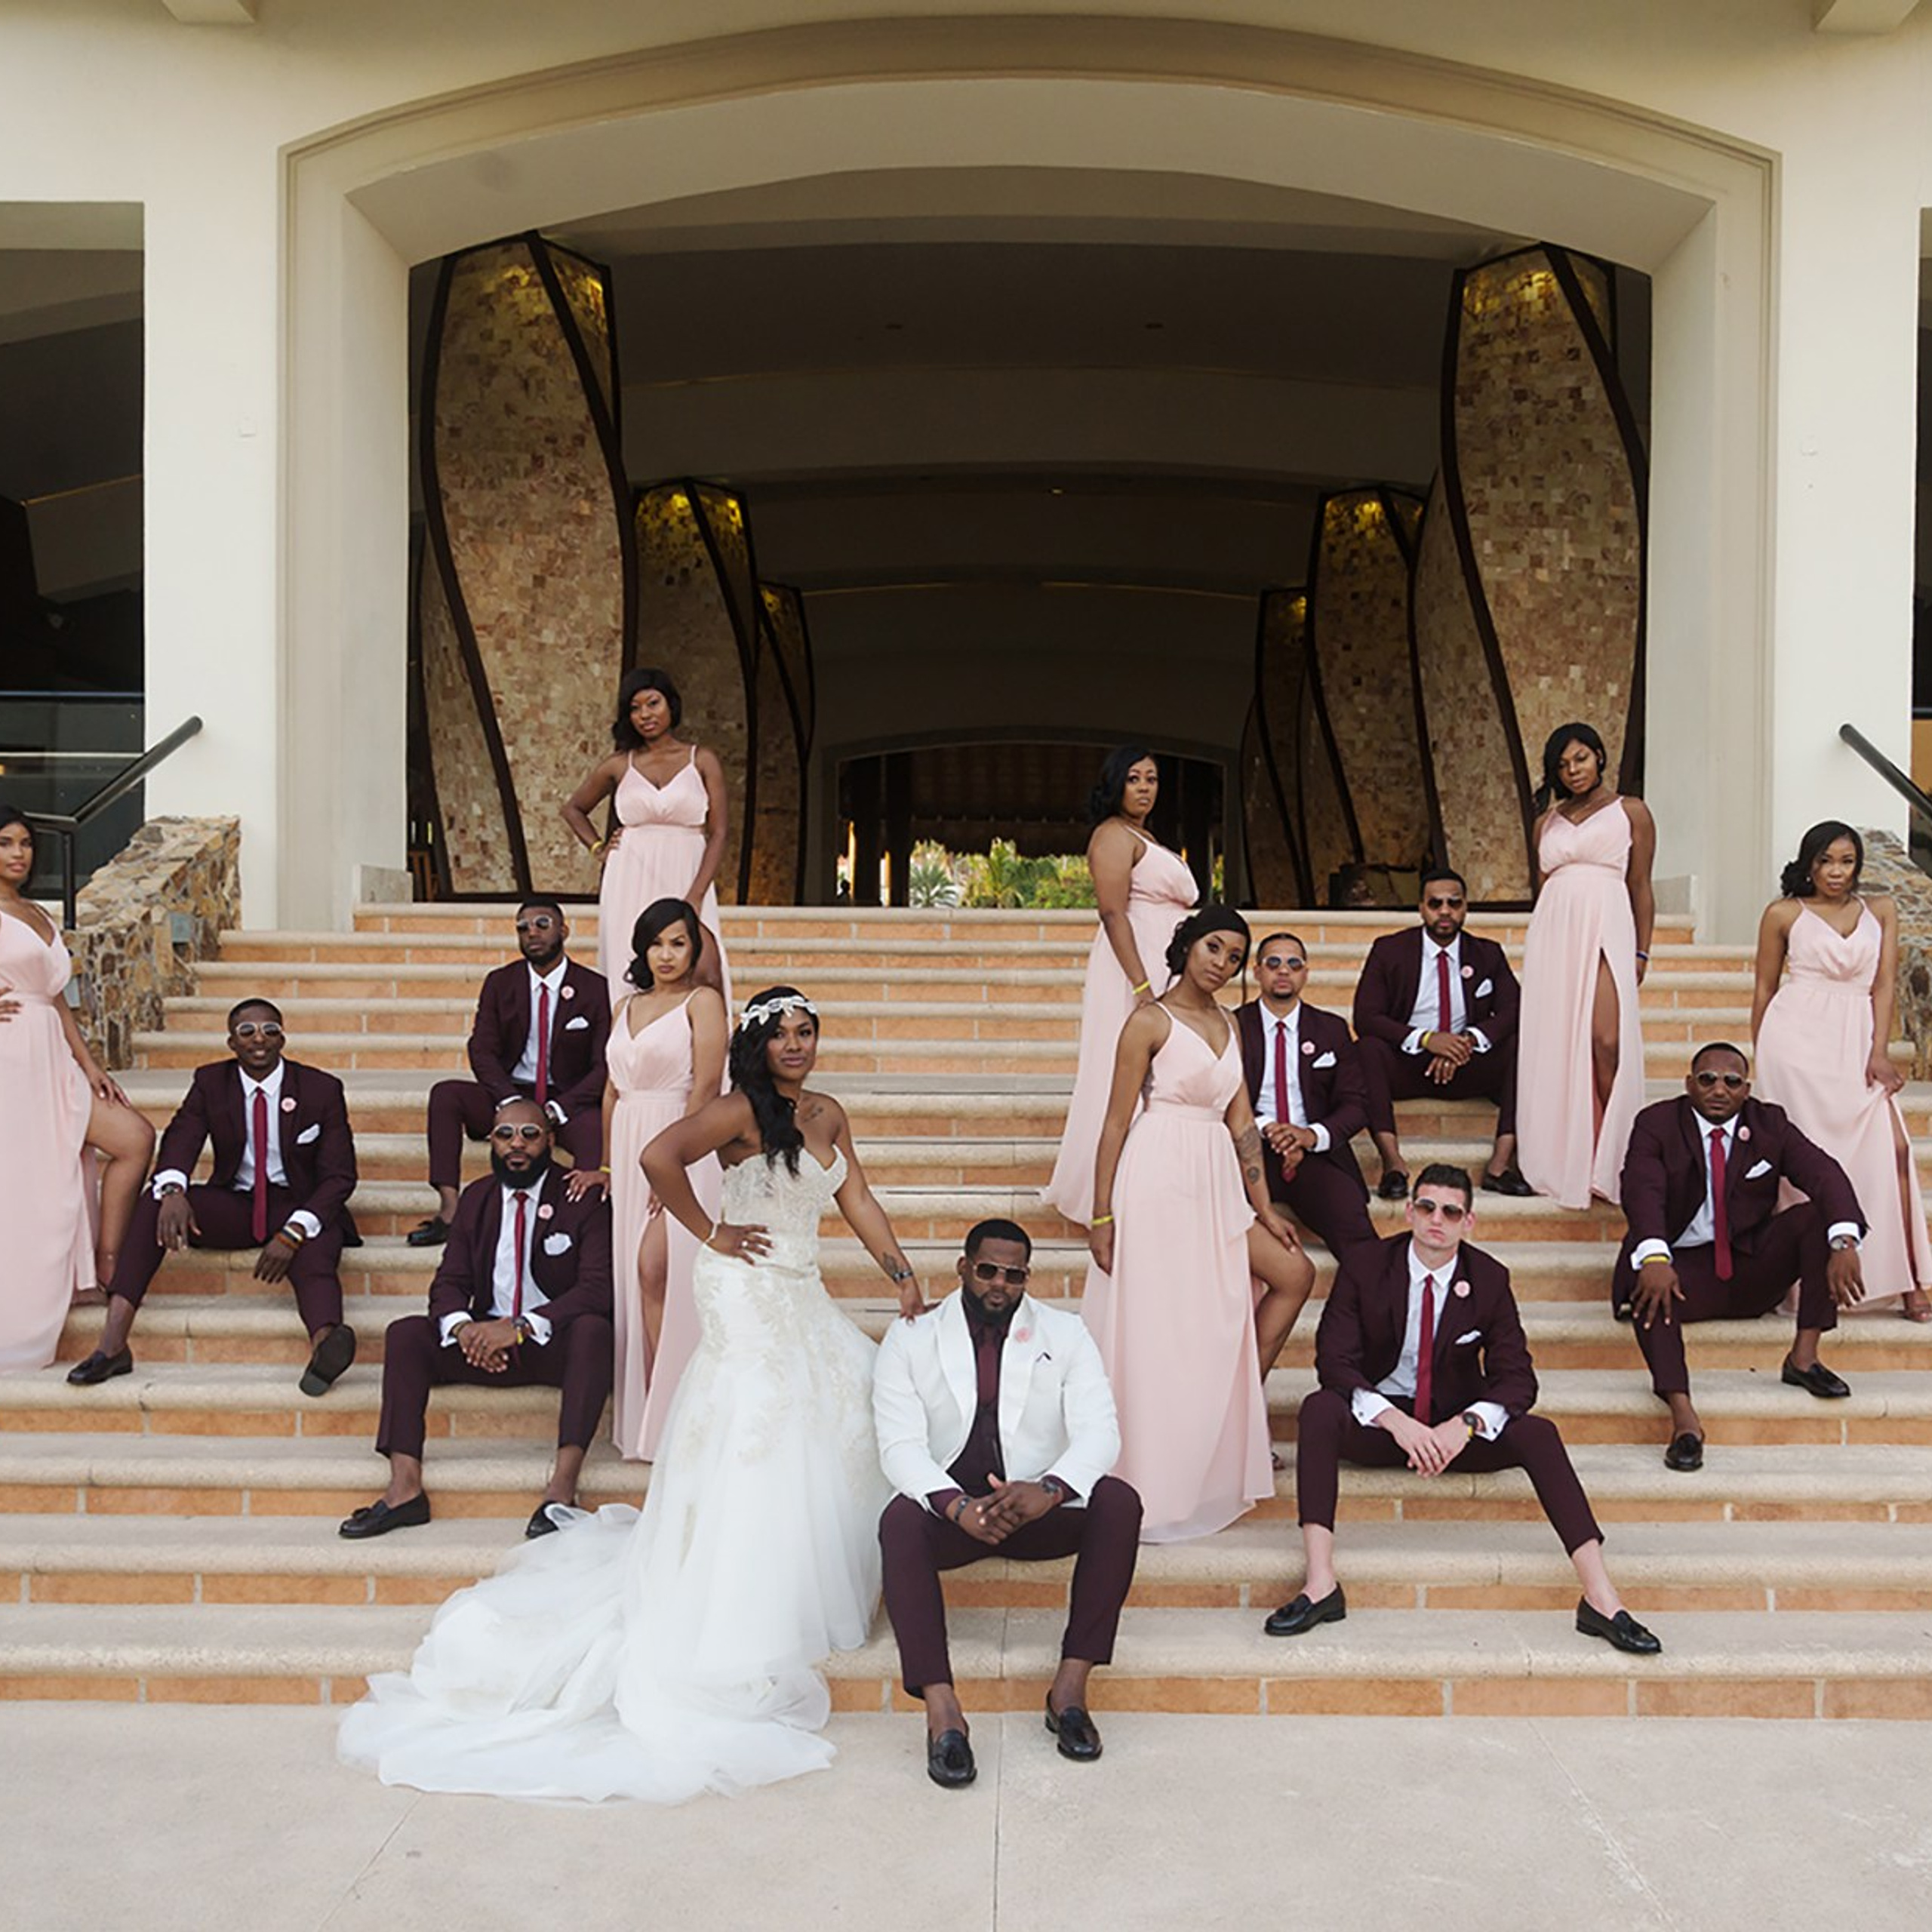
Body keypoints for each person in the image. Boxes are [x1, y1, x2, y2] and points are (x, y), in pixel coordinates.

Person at [338, 989, 925, 1804]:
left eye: (807, 1031)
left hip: (802, 1284)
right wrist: (710, 1230)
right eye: (782, 1033)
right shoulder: (734, 1112)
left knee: (847, 1402)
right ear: (757, 1044)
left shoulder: (828, 1113)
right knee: (762, 1421)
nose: (797, 1044)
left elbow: (853, 1194)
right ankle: (739, 1602)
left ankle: (807, 1581)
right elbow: (655, 1155)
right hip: (744, 1284)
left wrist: (900, 1272)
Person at [1269, 1164, 1661, 1657]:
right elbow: (1334, 1360)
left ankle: (1601, 1598)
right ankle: (1321, 1584)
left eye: (1451, 1212)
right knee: (1319, 1410)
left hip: (1454, 1430)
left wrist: (1467, 1425)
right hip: (1385, 1427)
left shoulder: (1490, 1279)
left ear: (1468, 1223)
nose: (1438, 1220)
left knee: (1539, 1435)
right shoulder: (1367, 1266)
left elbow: (1518, 1377)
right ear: (1410, 1211)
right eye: (1428, 1207)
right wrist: (1396, 1421)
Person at [874, 1218, 1141, 1788]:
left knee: (1119, 1502)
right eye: (988, 1271)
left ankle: (1068, 1691)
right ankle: (943, 1713)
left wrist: (1049, 1491)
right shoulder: (913, 1335)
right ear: (964, 1268)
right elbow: (898, 1447)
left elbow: (1101, 1433)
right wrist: (955, 1507)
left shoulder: (1066, 1333)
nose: (999, 1285)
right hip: (957, 1515)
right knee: (899, 1520)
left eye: (1014, 1275)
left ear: (1027, 1277)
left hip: (1033, 1509)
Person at [1083, 906, 1315, 1543]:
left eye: (1236, 956)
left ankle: (1221, 1426)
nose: (1223, 963)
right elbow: (1113, 1124)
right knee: (1163, 1326)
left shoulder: (1230, 1024)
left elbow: (1242, 1122)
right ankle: (1150, 1474)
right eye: (1214, 947)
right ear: (1187, 945)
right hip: (1157, 1172)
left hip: (1217, 1180)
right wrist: (1101, 1213)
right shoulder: (1149, 1021)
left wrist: (1265, 1207)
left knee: (1294, 1273)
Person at [340, 1099, 616, 1540]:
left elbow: (597, 1289)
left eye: (529, 1134)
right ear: (492, 1140)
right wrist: (466, 1330)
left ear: (549, 1140)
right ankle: (405, 1489)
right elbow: (450, 1280)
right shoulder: (478, 1196)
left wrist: (521, 1327)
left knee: (594, 1331)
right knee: (407, 1334)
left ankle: (561, 1491)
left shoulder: (580, 1195)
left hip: (549, 1343)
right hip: (485, 1341)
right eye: (505, 1135)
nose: (516, 1145)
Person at [67, 999, 359, 1395]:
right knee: (154, 1200)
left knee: (316, 1245)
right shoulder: (211, 1082)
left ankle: (326, 1344)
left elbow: (340, 1177)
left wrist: (293, 1231)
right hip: (236, 1203)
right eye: (247, 1032)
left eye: (270, 1031)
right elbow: (181, 1137)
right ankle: (113, 1344)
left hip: (297, 1203)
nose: (260, 1039)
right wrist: (172, 1188)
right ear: (231, 1042)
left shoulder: (320, 1090)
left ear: (282, 1039)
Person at [1614, 1043, 1866, 1471]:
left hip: (1750, 1265)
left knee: (1815, 1218)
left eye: (1731, 1082)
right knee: (1650, 1287)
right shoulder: (1657, 1124)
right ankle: (1684, 1420)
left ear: (1745, 1089)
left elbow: (1824, 1172)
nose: (1719, 1090)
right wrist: (1655, 1257)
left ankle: (1803, 1359)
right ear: (1689, 1084)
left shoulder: (1769, 1124)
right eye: (1708, 1079)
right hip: (1683, 1267)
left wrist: (1844, 1241)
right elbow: (1642, 1190)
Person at [566, 898, 726, 1460]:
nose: (666, 954)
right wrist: (610, 1164)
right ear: (642, 948)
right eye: (657, 943)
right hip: (630, 1144)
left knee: (657, 1270)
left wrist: (670, 1166)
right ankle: (650, 1419)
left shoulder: (703, 1003)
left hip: (680, 1144)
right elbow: (612, 1091)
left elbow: (706, 1088)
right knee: (637, 1284)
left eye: (678, 943)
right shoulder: (624, 1006)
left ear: (695, 949)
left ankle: (678, 1410)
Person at [1752, 820, 1932, 1321]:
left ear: (1858, 865)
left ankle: (1907, 1280)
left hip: (1855, 1044)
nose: (1836, 871)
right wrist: (1762, 1058)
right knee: (1804, 1165)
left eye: (1846, 861)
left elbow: (1885, 985)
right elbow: (1765, 991)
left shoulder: (1881, 910)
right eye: (1826, 860)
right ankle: (1803, 1282)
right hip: (1794, 1046)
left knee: (1890, 1151)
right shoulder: (1783, 913)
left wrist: (1878, 1051)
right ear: (1809, 862)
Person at [0, 803, 155, 1369]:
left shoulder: (37, 910)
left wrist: (89, 1064)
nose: (18, 854)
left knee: (134, 1137)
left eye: (24, 844)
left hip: (55, 1056)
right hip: (8, 1060)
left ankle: (104, 1262)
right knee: (22, 1173)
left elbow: (55, 996)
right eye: (5, 844)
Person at [1041, 745, 1198, 1225]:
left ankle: (1149, 1180)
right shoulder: (1112, 835)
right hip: (1133, 961)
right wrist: (1140, 985)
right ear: (1116, 784)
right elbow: (1112, 911)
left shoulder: (1144, 835)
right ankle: (1106, 1190)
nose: (1146, 787)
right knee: (1124, 1069)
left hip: (1166, 957)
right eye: (1134, 779)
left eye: (1152, 779)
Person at [406, 899, 608, 1247]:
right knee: (446, 1094)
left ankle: (575, 1221)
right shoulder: (501, 982)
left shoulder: (594, 988)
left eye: (542, 924)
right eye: (523, 927)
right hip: (511, 1091)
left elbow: (605, 1064)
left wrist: (560, 1109)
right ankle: (450, 1210)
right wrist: (509, 1101)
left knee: (595, 1128)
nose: (532, 933)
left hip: (565, 1099)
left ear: (564, 931)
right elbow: (481, 1049)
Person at [1516, 722, 1655, 1209]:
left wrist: (1641, 950)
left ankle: (1613, 1155)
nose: (1573, 771)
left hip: (1607, 926)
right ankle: (1567, 1156)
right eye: (1562, 764)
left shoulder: (1630, 811)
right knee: (1557, 1045)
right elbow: (1544, 890)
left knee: (1606, 1040)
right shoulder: (1545, 823)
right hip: (1555, 935)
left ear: (1599, 756)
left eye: (1580, 759)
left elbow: (1640, 886)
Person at [1352, 869, 1529, 1199]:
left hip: (1468, 1063)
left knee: (1521, 1046)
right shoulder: (1390, 950)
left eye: (1454, 903)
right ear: (1421, 907)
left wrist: (1468, 1041)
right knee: (1368, 1049)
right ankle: (1393, 1164)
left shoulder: (1487, 953)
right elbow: (1366, 1017)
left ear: (1465, 908)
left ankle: (1500, 1166)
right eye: (1436, 903)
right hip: (1409, 1064)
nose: (1445, 911)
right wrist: (1428, 1040)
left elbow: (1514, 1009)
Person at [563, 666, 733, 1010]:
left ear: (670, 705)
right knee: (629, 957)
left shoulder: (702, 760)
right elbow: (573, 809)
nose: (645, 715)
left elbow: (719, 832)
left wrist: (697, 894)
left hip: (687, 870)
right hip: (630, 874)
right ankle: (625, 1051)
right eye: (635, 708)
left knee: (697, 963)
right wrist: (599, 849)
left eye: (653, 703)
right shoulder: (618, 764)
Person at [1234, 930, 1378, 1263]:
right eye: (1273, 963)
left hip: (1315, 1154)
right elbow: (1220, 1098)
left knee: (1360, 1241)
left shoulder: (1331, 1028)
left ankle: (1375, 1311)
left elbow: (1356, 1104)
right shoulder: (1233, 1026)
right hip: (1246, 1152)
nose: (1283, 971)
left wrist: (1309, 1135)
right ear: (1257, 972)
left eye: (1293, 964)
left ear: (1305, 973)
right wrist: (1269, 1127)